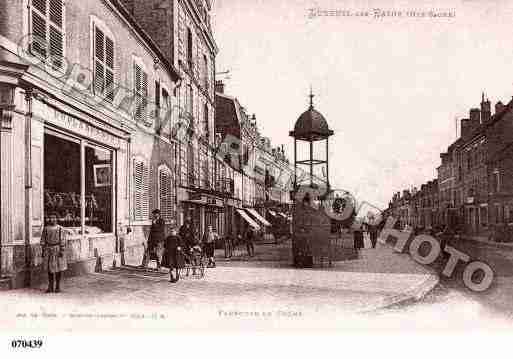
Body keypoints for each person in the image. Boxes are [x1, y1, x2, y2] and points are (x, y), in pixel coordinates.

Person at [41, 212, 68, 293]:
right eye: (50, 218)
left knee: (58, 268)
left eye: (54, 218)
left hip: (57, 249)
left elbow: (63, 240)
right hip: (48, 250)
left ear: (57, 219)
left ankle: (57, 286)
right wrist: (43, 250)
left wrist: (62, 250)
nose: (52, 219)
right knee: (49, 269)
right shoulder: (46, 228)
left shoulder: (60, 229)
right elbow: (43, 240)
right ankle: (50, 286)